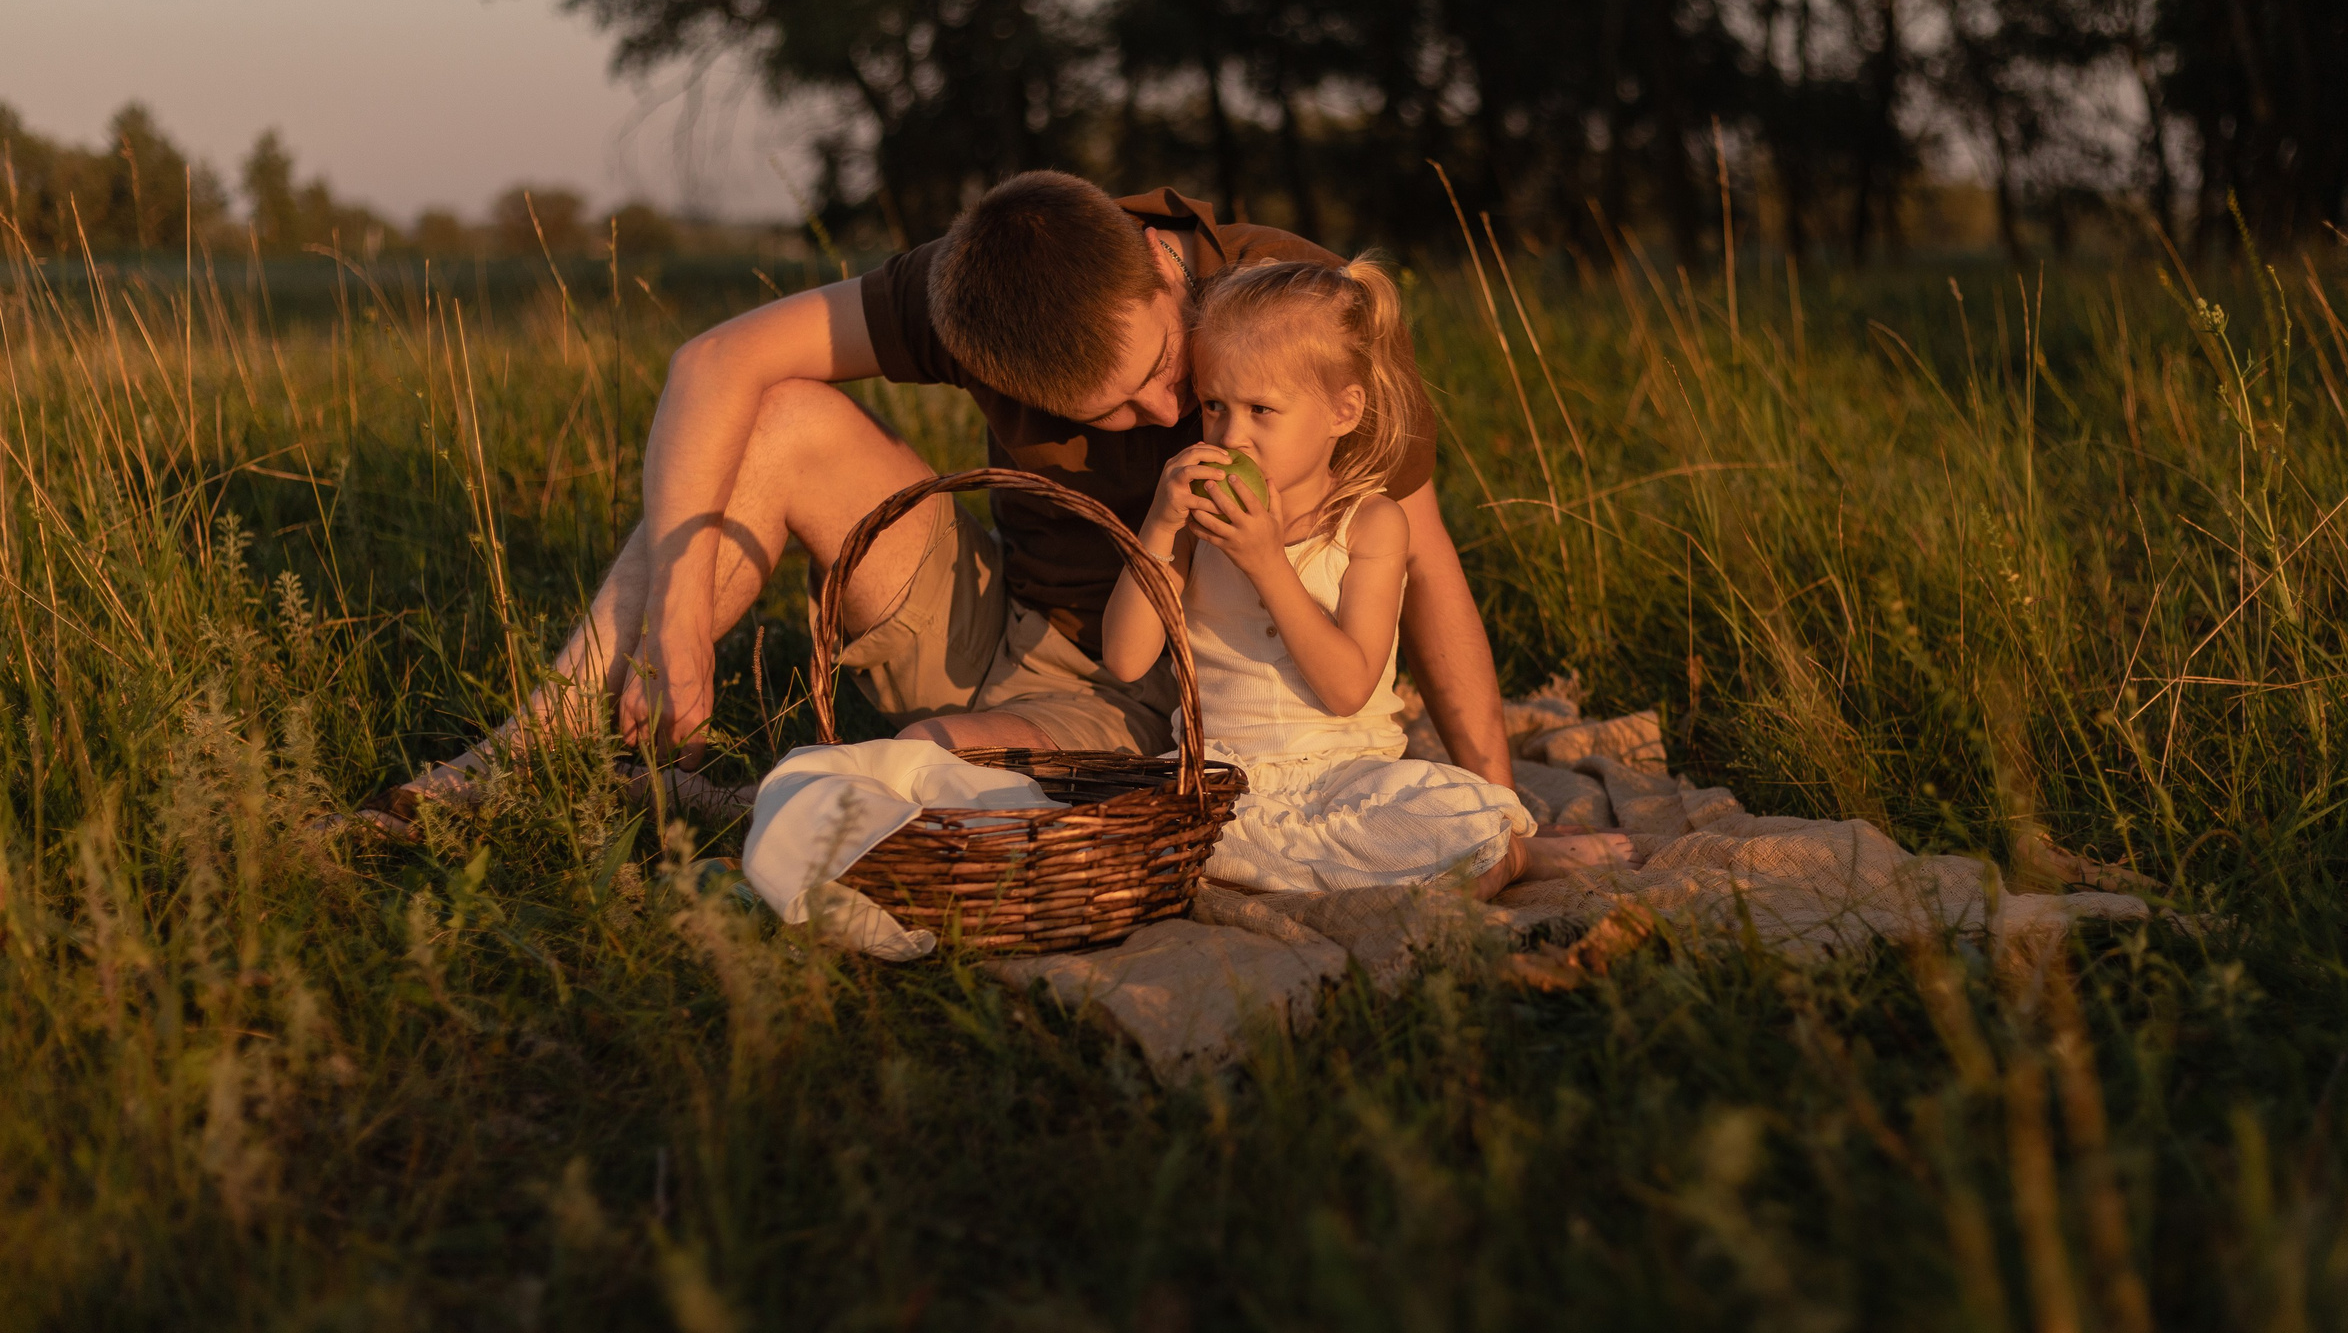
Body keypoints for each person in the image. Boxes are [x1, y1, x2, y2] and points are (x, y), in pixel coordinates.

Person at [368, 173, 1514, 827]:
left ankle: (759, 801)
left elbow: (1421, 553)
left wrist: (1493, 797)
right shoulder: (978, 290)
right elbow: (712, 364)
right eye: (1111, 411)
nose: (1164, 409)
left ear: (1169, 276)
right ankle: (521, 760)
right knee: (776, 419)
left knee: (943, 771)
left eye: (1161, 371)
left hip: (1183, 687)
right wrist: (676, 609)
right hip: (1008, 627)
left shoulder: (1278, 305)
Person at [1099, 255, 1627, 897]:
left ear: (1343, 412)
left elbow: (1348, 688)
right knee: (1143, 835)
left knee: (1446, 816)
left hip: (1348, 778)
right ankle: (1384, 880)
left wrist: (1268, 564)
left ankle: (1506, 858)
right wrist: (1157, 525)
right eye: (1214, 405)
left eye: (1263, 409)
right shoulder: (1193, 519)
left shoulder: (1369, 525)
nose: (1233, 435)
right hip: (1221, 779)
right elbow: (1125, 660)